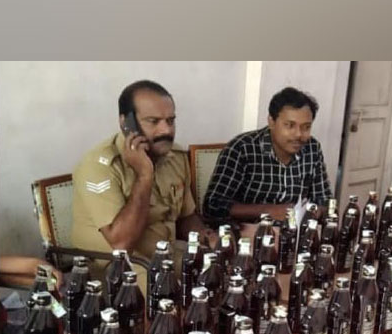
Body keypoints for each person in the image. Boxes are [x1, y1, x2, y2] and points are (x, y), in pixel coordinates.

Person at [70, 80, 213, 261]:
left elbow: (186, 217)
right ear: (126, 123)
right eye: (153, 121)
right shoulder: (98, 166)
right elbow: (122, 244)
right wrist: (145, 175)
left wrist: (208, 238)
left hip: (165, 255)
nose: (166, 130)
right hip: (116, 264)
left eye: (170, 121)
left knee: (223, 269)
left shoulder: (175, 156)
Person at [202, 86, 333, 225]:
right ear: (271, 122)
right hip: (248, 233)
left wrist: (316, 210)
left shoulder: (312, 148)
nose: (299, 134)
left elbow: (325, 200)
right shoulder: (242, 149)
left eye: (306, 127)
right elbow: (213, 206)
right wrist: (267, 210)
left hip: (294, 232)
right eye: (289, 125)